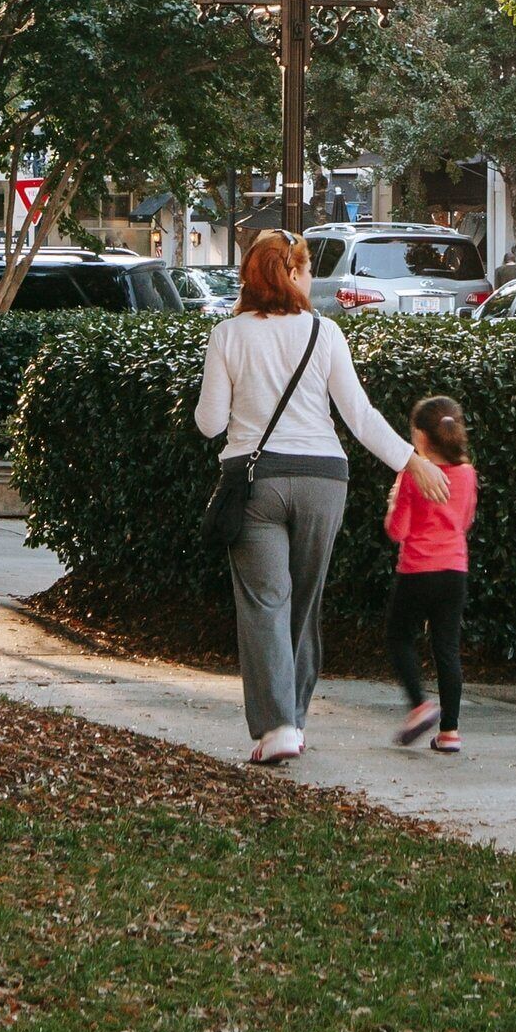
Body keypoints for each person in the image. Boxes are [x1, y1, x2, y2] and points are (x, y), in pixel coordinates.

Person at [196, 228, 445, 766]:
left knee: (266, 604)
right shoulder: (324, 332)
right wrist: (413, 462)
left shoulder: (227, 335)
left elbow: (210, 423)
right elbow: (359, 415)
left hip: (256, 482)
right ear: (291, 273)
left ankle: (278, 728)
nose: (311, 279)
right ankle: (295, 720)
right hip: (324, 480)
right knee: (304, 604)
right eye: (307, 269)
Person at [384, 394, 476, 755]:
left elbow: (398, 530)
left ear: (421, 437)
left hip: (417, 571)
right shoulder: (467, 474)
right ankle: (450, 732)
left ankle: (420, 706)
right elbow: (464, 521)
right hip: (454, 571)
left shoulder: (412, 475)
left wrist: (395, 499)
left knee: (399, 637)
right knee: (447, 648)